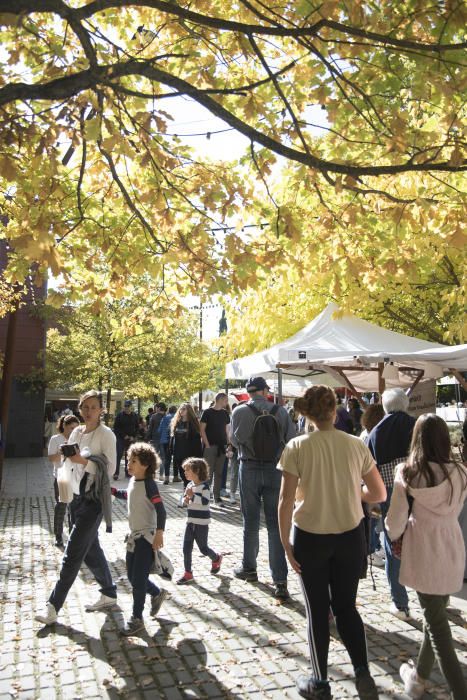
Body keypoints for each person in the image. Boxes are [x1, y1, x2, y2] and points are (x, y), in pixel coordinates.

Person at [278, 385, 386, 700]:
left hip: (310, 536)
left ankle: (320, 682)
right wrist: (357, 493)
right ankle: (363, 672)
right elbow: (378, 494)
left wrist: (285, 542)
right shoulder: (356, 445)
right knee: (346, 607)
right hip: (350, 536)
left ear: (307, 414)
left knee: (317, 610)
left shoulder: (296, 446)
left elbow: (285, 501)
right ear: (335, 410)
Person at [386, 414, 467, 700]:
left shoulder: (407, 473)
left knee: (437, 625)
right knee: (435, 617)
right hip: (452, 547)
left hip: (424, 551)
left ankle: (459, 690)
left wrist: (391, 533)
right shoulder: (461, 471)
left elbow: (394, 523)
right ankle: (418, 679)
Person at [35, 390, 117, 625]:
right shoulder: (77, 432)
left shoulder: (106, 435)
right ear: (79, 409)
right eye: (85, 407)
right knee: (91, 551)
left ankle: (53, 606)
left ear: (101, 410)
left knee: (72, 555)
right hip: (76, 498)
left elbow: (109, 470)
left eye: (94, 407)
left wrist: (83, 461)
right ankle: (109, 593)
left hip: (94, 500)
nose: (89, 411)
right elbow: (69, 462)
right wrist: (66, 454)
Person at [230, 376, 296, 601]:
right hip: (275, 470)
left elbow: (235, 440)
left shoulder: (239, 411)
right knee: (275, 525)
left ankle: (249, 568)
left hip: (248, 468)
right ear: (266, 391)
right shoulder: (281, 412)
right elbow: (291, 440)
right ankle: (280, 581)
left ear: (249, 392)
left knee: (250, 521)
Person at [367, 387, 416, 620]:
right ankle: (435, 594)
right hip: (418, 485)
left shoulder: (376, 431)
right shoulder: (417, 425)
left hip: (388, 489)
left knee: (392, 540)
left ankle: (401, 603)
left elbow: (368, 467)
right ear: (405, 404)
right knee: (422, 537)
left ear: (385, 406)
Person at [111, 442, 168, 635]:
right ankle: (157, 593)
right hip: (133, 538)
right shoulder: (134, 480)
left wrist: (159, 532)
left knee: (139, 578)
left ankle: (137, 618)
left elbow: (161, 509)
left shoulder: (150, 485)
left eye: (133, 461)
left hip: (146, 538)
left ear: (145, 464)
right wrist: (111, 491)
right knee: (132, 577)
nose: (128, 464)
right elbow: (128, 495)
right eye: (128, 460)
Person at [176, 457, 222, 584]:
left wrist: (192, 496)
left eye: (187, 470)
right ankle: (188, 572)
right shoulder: (189, 485)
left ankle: (216, 558)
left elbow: (205, 502)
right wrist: (184, 501)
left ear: (197, 471)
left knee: (203, 548)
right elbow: (184, 501)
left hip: (201, 523)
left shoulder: (204, 487)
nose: (185, 472)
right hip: (190, 522)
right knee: (186, 548)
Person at [48, 414, 80, 547]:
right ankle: (58, 536)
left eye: (76, 428)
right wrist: (63, 451)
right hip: (61, 477)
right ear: (64, 426)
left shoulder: (79, 439)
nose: (73, 431)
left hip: (76, 477)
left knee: (74, 508)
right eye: (71, 428)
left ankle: (73, 535)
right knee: (61, 506)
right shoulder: (56, 439)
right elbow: (51, 458)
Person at [200, 393, 230, 504]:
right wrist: (207, 445)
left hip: (222, 447)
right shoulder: (207, 412)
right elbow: (202, 429)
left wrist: (229, 444)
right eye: (226, 400)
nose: (227, 403)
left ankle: (216, 496)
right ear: (220, 399)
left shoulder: (225, 413)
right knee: (208, 473)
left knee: (219, 472)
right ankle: (205, 496)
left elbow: (227, 430)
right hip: (210, 447)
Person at [170, 403, 203, 489]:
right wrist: (171, 451)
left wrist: (197, 456)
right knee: (183, 476)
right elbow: (173, 438)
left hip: (189, 455)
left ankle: (189, 495)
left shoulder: (193, 424)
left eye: (184, 409)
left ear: (189, 411)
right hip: (178, 455)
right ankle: (187, 494)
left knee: (189, 478)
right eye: (180, 409)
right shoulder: (176, 422)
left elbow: (197, 441)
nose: (181, 411)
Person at [113, 400, 139, 479]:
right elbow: (116, 428)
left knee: (129, 456)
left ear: (131, 407)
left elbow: (137, 427)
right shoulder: (119, 415)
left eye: (128, 406)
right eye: (125, 406)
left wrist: (133, 436)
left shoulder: (135, 416)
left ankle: (128, 472)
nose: (127, 408)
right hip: (121, 438)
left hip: (130, 439)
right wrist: (124, 435)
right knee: (118, 455)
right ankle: (116, 473)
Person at [158, 405, 177, 484]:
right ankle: (175, 477)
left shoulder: (164, 418)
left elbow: (159, 430)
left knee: (167, 460)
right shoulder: (177, 417)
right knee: (176, 459)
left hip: (165, 441)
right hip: (175, 441)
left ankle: (166, 478)